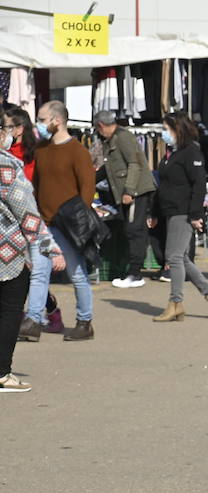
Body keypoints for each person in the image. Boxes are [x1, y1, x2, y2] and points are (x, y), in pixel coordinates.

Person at [27, 101, 97, 341]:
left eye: (42, 119)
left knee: (77, 274)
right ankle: (33, 320)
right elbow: (37, 184)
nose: (39, 124)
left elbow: (87, 190)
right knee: (39, 273)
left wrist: (80, 223)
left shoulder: (78, 152)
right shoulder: (41, 149)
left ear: (57, 120)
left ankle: (84, 322)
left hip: (69, 226)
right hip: (45, 225)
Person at [147, 113, 208, 322]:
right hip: (169, 210)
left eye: (167, 128)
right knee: (180, 258)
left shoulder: (191, 152)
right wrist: (154, 211)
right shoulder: (171, 153)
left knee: (173, 257)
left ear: (178, 129)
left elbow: (199, 184)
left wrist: (195, 214)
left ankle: (176, 302)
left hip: (182, 211)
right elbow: (163, 185)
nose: (163, 133)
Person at [0, 127, 53, 391]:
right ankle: (2, 372)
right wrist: (50, 249)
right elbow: (27, 213)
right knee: (9, 312)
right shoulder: (5, 165)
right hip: (6, 254)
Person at [93, 111, 158, 289]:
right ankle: (133, 271)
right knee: (131, 230)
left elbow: (135, 164)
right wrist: (90, 181)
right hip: (127, 192)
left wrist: (129, 190)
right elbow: (109, 167)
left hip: (136, 192)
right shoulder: (111, 140)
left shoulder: (123, 137)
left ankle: (135, 274)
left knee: (133, 230)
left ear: (100, 126)